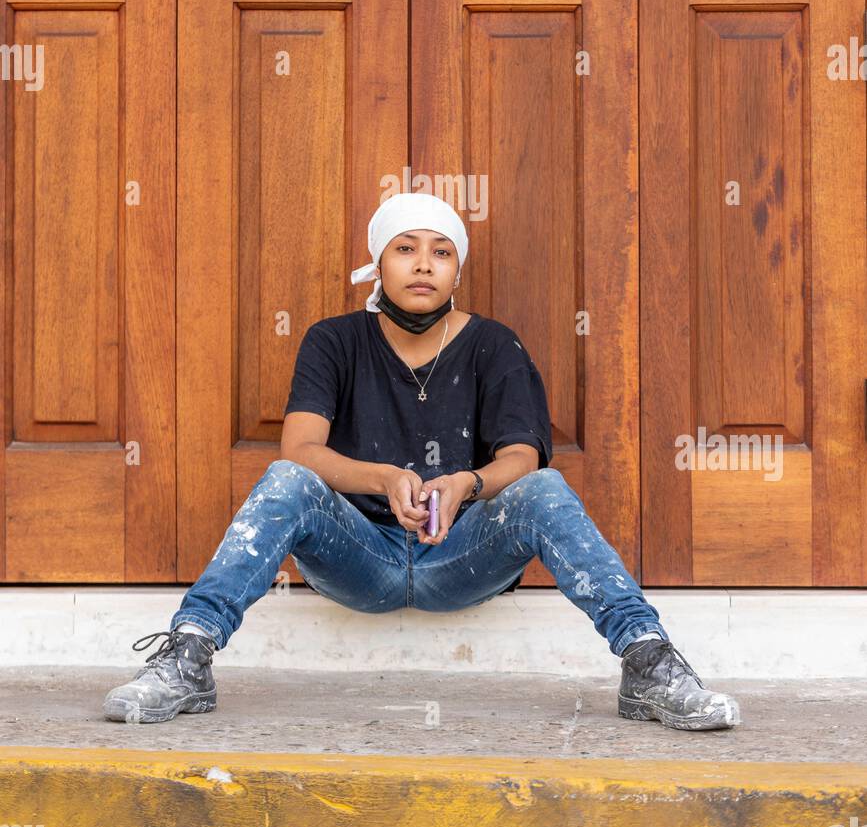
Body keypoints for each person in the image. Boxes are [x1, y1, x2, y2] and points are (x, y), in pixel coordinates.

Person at [103, 191, 741, 730]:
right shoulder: (335, 340)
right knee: (286, 480)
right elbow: (299, 448)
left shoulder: (494, 344)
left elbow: (521, 453)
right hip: (361, 557)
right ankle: (187, 657)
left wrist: (468, 482)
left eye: (441, 251)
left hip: (460, 557)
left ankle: (648, 662)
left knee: (544, 487)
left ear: (457, 270)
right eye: (405, 248)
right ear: (378, 262)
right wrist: (383, 477)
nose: (423, 265)